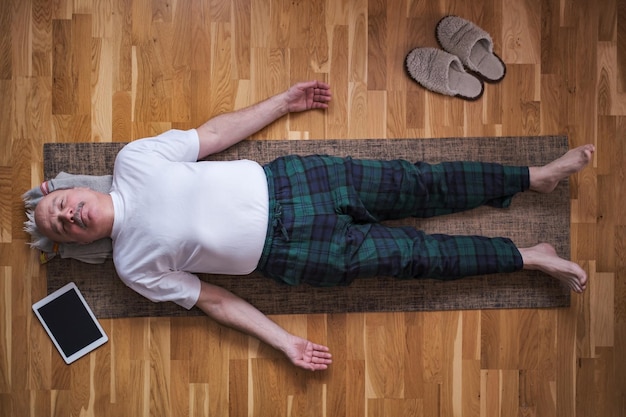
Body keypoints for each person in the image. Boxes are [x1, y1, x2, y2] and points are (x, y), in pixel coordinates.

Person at [29, 80, 593, 371]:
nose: (69, 216)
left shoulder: (134, 160)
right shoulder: (131, 268)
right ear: (78, 243)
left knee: (424, 183)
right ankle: (531, 255)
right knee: (419, 257)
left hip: (299, 183)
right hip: (296, 256)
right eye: (63, 228)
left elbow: (215, 135)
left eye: (62, 206)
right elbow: (217, 301)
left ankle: (535, 176)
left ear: (78, 188)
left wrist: (282, 102)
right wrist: (284, 341)